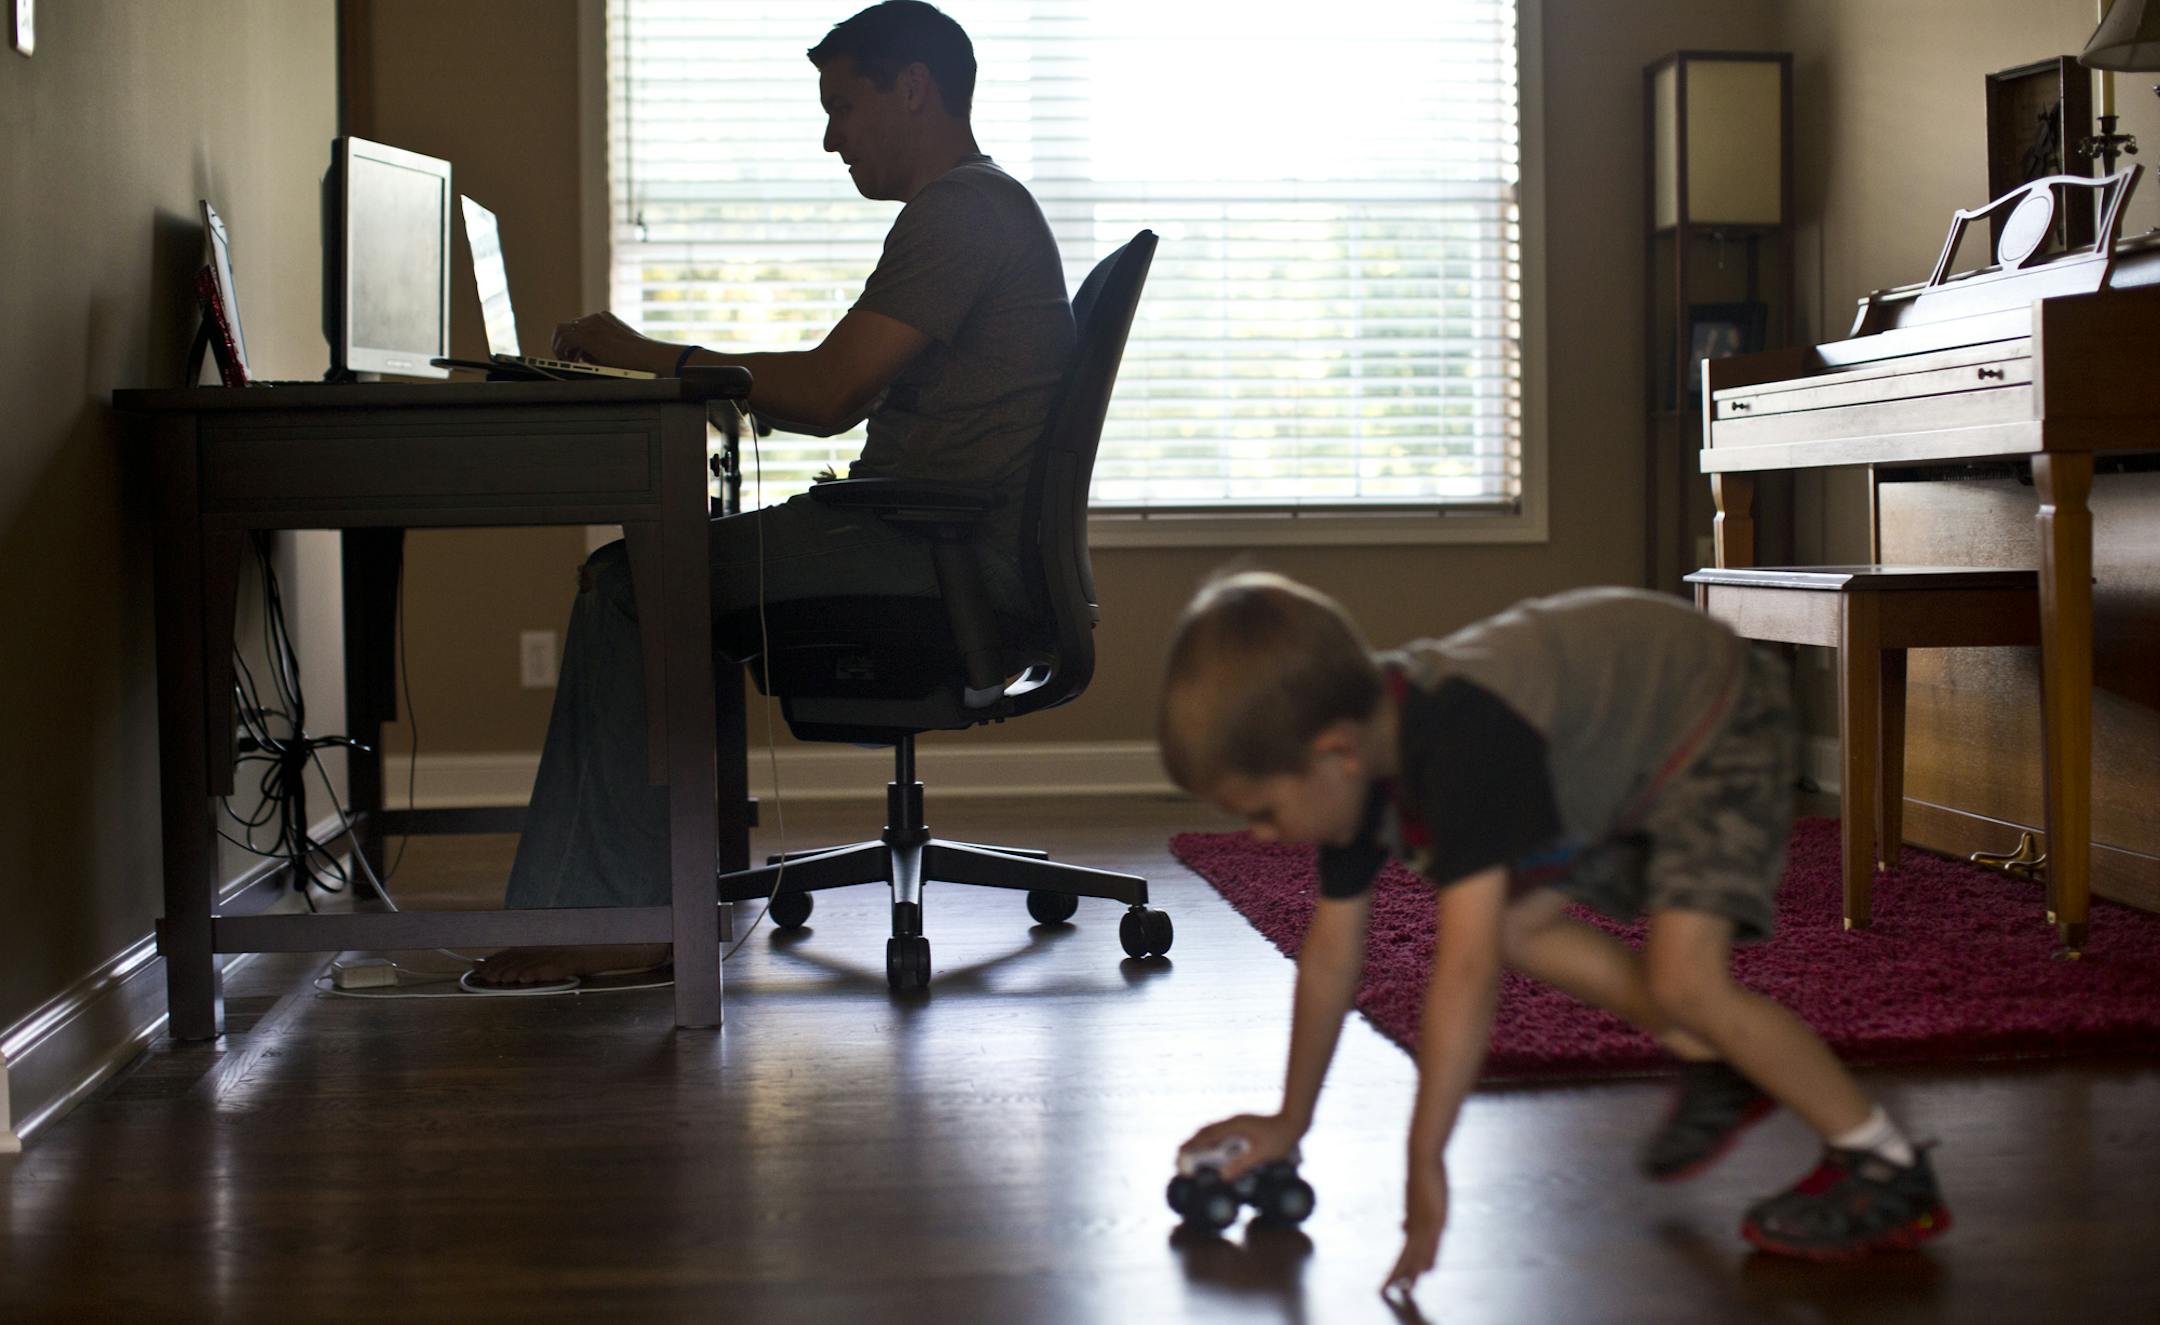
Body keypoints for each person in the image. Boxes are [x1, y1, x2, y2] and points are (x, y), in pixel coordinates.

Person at [476, 0, 1075, 986]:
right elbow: (834, 394)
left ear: (913, 90)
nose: (830, 135)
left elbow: (832, 391)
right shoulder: (974, 208)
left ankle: (611, 922)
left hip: (939, 561)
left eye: (843, 106)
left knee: (630, 584)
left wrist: (647, 353)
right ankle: (647, 896)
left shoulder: (965, 210)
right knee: (660, 574)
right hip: (936, 545)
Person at [1158, 572, 1950, 1293]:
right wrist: (1290, 1119)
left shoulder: (1456, 745)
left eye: (1261, 811)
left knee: (1687, 980)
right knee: (1518, 926)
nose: (1261, 837)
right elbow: (1331, 956)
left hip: (1716, 713)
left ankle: (1885, 1162)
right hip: (1612, 741)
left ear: (1336, 753)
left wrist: (1425, 1157)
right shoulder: (1360, 752)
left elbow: (1460, 977)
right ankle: (1716, 1057)